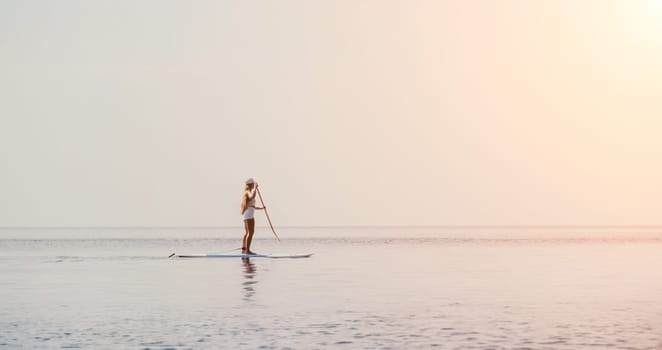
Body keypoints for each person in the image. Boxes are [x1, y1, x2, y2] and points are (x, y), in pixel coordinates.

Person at [241, 178, 265, 254]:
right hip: (249, 216)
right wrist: (255, 188)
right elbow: (252, 197)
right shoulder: (248, 192)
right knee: (251, 233)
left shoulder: (247, 192)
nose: (254, 185)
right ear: (251, 184)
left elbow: (252, 206)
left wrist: (262, 208)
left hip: (247, 215)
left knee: (247, 233)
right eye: (253, 184)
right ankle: (247, 250)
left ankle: (244, 249)